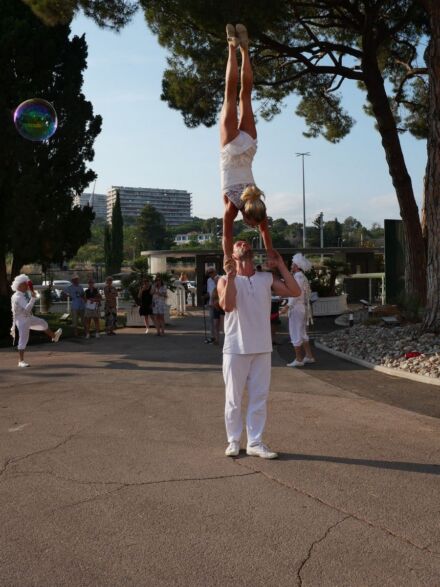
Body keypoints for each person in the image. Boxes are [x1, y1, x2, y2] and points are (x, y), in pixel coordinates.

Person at [217, 241, 301, 459]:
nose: (242, 243)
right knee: (233, 398)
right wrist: (232, 277)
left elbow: (295, 290)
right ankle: (233, 441)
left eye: (244, 242)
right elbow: (226, 306)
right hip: (235, 348)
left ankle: (255, 442)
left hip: (262, 347)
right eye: (237, 243)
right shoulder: (224, 279)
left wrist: (281, 265)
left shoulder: (266, 278)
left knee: (259, 397)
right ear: (233, 255)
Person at [220, 23, 275, 272]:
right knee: (231, 94)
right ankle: (232, 47)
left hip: (250, 148)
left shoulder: (259, 205)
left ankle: (244, 50)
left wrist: (271, 250)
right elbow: (227, 237)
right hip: (231, 147)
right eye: (253, 224)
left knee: (246, 96)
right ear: (249, 215)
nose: (253, 225)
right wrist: (226, 258)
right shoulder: (232, 206)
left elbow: (266, 234)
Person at [10, 274, 62, 367]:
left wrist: (32, 296)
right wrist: (33, 298)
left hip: (27, 318)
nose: (27, 286)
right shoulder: (18, 296)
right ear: (20, 285)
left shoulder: (20, 294)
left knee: (43, 323)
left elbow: (26, 311)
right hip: (22, 320)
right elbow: (26, 310)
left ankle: (54, 336)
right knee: (23, 339)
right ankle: (21, 361)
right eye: (25, 284)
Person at [286, 253, 316, 367]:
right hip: (302, 307)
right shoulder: (302, 276)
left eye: (293, 264)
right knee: (302, 333)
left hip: (297, 308)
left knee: (295, 333)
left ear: (297, 266)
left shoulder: (297, 277)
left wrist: (287, 306)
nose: (291, 266)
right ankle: (309, 356)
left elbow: (296, 294)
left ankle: (299, 359)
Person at [206, 267, 218, 343]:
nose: (210, 274)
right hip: (211, 303)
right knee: (211, 320)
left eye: (211, 272)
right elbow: (209, 292)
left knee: (217, 322)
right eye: (209, 273)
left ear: (214, 272)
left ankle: (218, 337)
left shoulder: (219, 278)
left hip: (218, 303)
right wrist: (205, 297)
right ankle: (212, 336)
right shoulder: (209, 280)